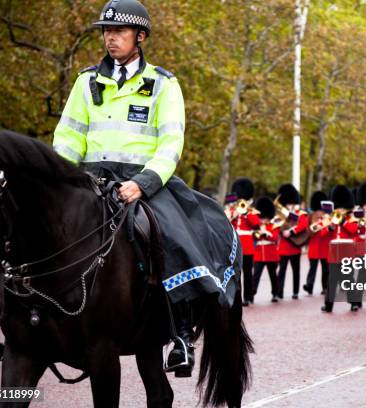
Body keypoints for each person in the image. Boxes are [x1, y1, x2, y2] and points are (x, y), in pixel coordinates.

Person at [53, 0, 240, 377]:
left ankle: (182, 333)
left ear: (139, 37)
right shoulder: (86, 81)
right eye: (106, 31)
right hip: (90, 181)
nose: (110, 38)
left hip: (144, 182)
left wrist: (142, 184)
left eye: (118, 31)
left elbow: (171, 143)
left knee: (171, 234)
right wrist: (61, 182)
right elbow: (68, 138)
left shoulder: (163, 84)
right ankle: (28, 325)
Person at [322, 185, 359, 312]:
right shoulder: (330, 217)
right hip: (334, 251)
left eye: (342, 207)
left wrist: (343, 222)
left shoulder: (351, 218)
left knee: (348, 277)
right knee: (332, 279)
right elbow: (322, 233)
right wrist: (331, 227)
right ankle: (328, 305)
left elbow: (354, 230)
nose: (340, 209)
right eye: (339, 207)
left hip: (346, 250)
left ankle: (354, 302)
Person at [228, 177, 260, 306]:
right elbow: (225, 222)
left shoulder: (251, 211)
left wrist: (246, 213)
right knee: (236, 273)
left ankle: (248, 296)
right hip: (234, 245)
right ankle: (237, 297)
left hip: (247, 246)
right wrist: (234, 214)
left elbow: (256, 224)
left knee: (247, 273)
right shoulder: (232, 210)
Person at [276, 184, 308, 299]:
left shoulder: (300, 213)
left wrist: (291, 231)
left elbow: (303, 224)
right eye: (288, 204)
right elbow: (276, 225)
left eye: (291, 203)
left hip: (295, 247)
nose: (289, 206)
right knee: (282, 272)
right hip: (284, 247)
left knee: (296, 271)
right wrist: (281, 228)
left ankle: (295, 292)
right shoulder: (281, 214)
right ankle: (279, 292)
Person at [304, 191, 333, 296]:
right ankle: (309, 286)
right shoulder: (311, 217)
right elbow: (308, 231)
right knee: (312, 268)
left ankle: (325, 287)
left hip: (325, 246)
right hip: (314, 246)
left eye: (321, 210)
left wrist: (328, 227)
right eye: (317, 210)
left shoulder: (329, 217)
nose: (319, 212)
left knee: (325, 269)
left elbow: (330, 232)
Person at [252, 196, 280, 303]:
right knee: (256, 276)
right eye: (261, 217)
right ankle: (251, 294)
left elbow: (275, 237)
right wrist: (258, 233)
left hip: (271, 254)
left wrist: (266, 234)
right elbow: (253, 236)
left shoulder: (274, 225)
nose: (263, 219)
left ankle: (275, 294)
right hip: (259, 254)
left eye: (264, 217)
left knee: (273, 275)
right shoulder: (257, 225)